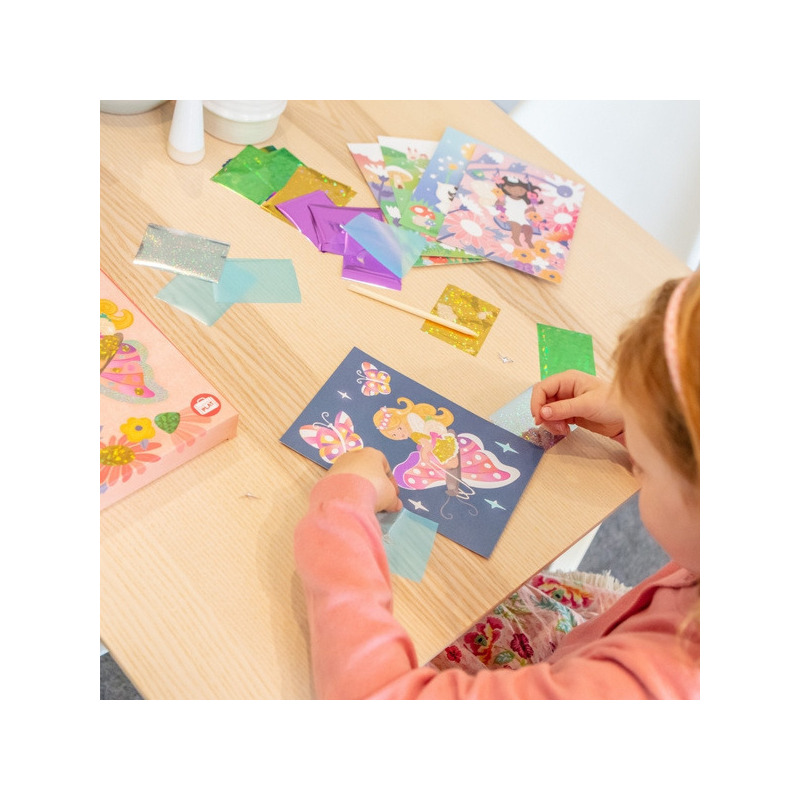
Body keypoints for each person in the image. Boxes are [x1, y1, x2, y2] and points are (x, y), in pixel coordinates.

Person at [293, 272, 700, 699]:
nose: (638, 468)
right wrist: (638, 419)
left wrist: (342, 510)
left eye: (645, 468)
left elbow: (374, 697)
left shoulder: (638, 687)